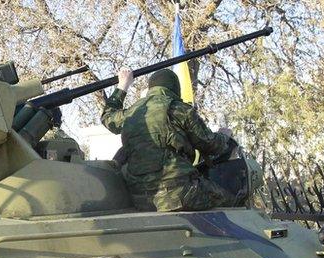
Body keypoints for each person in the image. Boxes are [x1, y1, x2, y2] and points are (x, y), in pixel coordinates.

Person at [102, 67, 243, 212]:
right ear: (175, 87)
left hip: (141, 198)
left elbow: (108, 117)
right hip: (180, 195)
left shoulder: (131, 113)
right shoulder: (180, 110)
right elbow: (212, 145)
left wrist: (123, 85)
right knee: (233, 199)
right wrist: (224, 135)